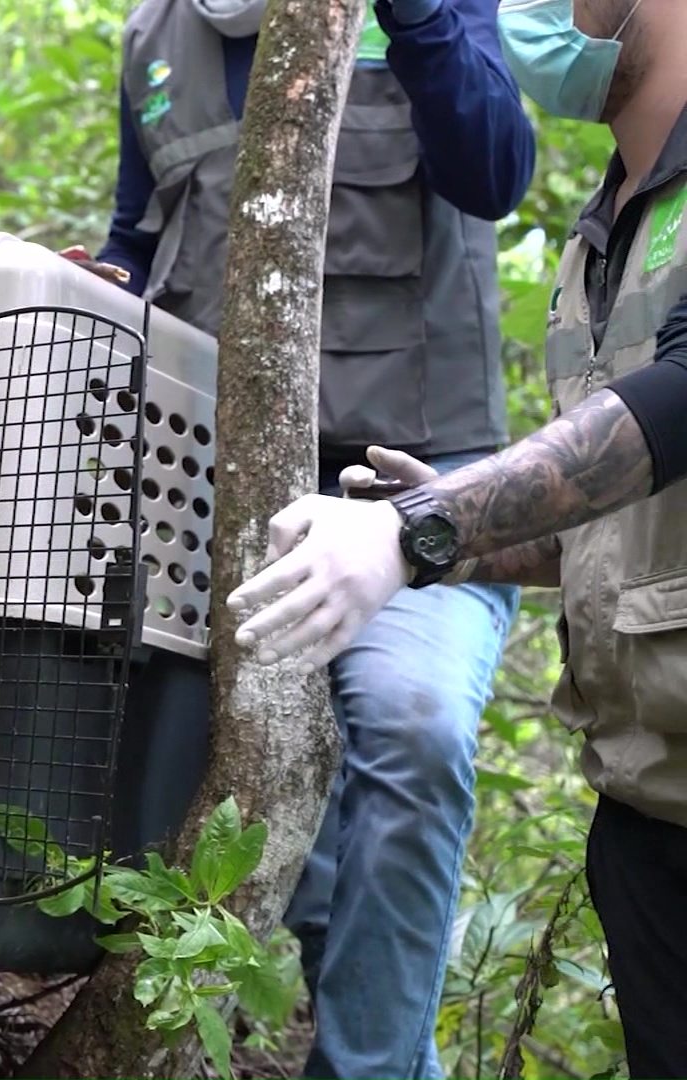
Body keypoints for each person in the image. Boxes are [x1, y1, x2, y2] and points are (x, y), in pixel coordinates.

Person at [71, 1, 539, 1077]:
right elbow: (137, 237)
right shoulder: (153, 37)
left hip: (419, 482)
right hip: (218, 484)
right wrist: (107, 281)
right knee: (250, 799)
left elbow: (497, 170)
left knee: (414, 731)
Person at [228, 0, 687, 1074]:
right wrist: (457, 533)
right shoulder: (604, 234)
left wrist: (421, 536)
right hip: (651, 808)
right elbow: (615, 527)